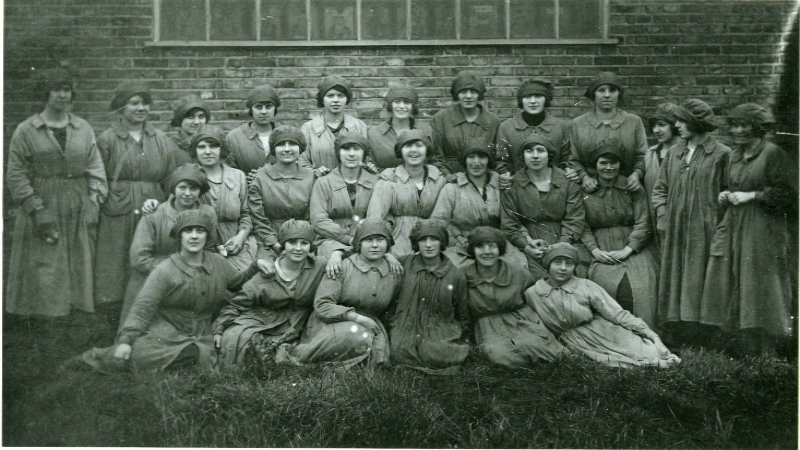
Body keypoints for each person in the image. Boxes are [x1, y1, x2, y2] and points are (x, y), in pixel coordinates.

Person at [78, 209, 258, 372]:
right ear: (180, 236)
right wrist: (125, 341)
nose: (194, 236)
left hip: (202, 332)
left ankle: (181, 362)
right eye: (188, 231)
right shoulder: (165, 269)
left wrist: (255, 266)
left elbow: (238, 283)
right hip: (166, 331)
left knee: (201, 354)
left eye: (200, 231)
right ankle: (91, 360)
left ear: (207, 236)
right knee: (136, 353)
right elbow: (143, 307)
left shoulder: (218, 263)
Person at [6, 68, 108, 317]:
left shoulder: (82, 127)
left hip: (77, 202)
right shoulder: (27, 130)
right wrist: (36, 209)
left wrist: (94, 200)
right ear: (45, 92)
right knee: (45, 267)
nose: (63, 95)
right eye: (56, 89)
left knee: (78, 265)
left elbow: (95, 167)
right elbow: (16, 174)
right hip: (44, 202)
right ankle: (44, 327)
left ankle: (74, 322)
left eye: (66, 89)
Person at [701, 103, 796, 355]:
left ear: (758, 128)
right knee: (735, 279)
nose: (738, 130)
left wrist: (752, 195)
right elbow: (730, 184)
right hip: (735, 226)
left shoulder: (773, 154)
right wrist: (726, 194)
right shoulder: (733, 155)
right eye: (734, 125)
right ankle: (746, 347)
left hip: (763, 229)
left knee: (761, 283)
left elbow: (789, 195)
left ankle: (768, 351)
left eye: (744, 125)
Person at [651, 99, 731, 345]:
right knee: (675, 275)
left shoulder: (721, 154)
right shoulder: (676, 152)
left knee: (701, 277)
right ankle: (678, 329)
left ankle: (705, 333)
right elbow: (660, 189)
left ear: (697, 124)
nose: (677, 126)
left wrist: (720, 224)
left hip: (705, 227)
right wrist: (663, 216)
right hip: (675, 227)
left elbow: (729, 191)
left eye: (682, 121)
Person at [526, 243, 680, 368]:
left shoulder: (585, 285)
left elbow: (616, 313)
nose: (563, 268)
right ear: (547, 265)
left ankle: (654, 352)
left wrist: (651, 335)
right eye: (557, 262)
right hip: (572, 342)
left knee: (649, 352)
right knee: (611, 362)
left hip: (603, 331)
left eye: (569, 263)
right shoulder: (533, 293)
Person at [94, 81, 178, 310]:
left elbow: (170, 178)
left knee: (149, 256)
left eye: (145, 103)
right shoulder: (108, 139)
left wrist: (165, 204)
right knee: (116, 262)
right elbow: (97, 177)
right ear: (121, 107)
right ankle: (112, 314)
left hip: (154, 206)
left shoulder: (160, 138)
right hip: (118, 210)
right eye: (135, 103)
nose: (142, 108)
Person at [213, 220, 341, 365]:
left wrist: (337, 254)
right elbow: (236, 305)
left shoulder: (319, 265)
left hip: (301, 322)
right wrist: (219, 329)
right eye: (292, 242)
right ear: (283, 245)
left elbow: (351, 250)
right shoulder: (266, 273)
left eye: (304, 243)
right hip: (265, 320)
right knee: (232, 337)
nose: (298, 248)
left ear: (310, 246)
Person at [282, 219, 401, 368]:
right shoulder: (341, 267)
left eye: (381, 240)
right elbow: (322, 305)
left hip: (370, 323)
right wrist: (358, 318)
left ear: (388, 244)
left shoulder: (393, 271)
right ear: (359, 243)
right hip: (330, 321)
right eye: (368, 240)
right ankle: (302, 356)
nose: (375, 245)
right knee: (357, 335)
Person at [119, 163, 217, 326]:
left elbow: (210, 249)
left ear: (200, 191)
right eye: (182, 187)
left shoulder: (207, 213)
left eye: (193, 188)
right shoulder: (154, 215)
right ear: (173, 188)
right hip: (153, 278)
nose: (187, 193)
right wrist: (177, 270)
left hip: (193, 278)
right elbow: (139, 259)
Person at [462, 227, 568, 368]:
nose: (487, 251)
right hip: (488, 325)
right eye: (480, 246)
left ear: (499, 249)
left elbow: (533, 298)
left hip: (520, 319)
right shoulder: (463, 276)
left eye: (492, 246)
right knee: (499, 356)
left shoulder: (518, 272)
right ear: (473, 250)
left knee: (541, 347)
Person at [580, 144, 659, 329]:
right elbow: (581, 224)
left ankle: (647, 331)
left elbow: (644, 221)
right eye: (603, 163)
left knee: (644, 284)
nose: (609, 167)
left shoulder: (633, 188)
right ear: (595, 165)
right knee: (603, 283)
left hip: (633, 243)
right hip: (600, 244)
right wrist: (594, 250)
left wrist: (627, 249)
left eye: (613, 163)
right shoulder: (584, 190)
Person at [388, 220, 470, 374]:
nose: (428, 245)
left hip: (439, 327)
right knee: (401, 351)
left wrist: (463, 335)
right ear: (416, 244)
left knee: (439, 353)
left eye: (434, 239)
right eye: (423, 240)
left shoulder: (455, 275)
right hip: (406, 324)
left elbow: (462, 312)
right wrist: (388, 256)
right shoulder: (403, 263)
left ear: (442, 243)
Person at [500, 135, 585, 281]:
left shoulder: (567, 181)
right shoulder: (512, 184)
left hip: (564, 238)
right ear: (523, 156)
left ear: (549, 154)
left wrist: (561, 246)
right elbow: (509, 223)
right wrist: (526, 246)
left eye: (540, 150)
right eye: (529, 151)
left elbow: (574, 218)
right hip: (527, 241)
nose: (535, 156)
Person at [430, 145, 526, 269]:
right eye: (471, 157)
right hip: (462, 247)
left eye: (482, 157)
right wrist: (456, 240)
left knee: (516, 269)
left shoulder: (501, 187)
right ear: (465, 160)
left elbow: (513, 220)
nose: (476, 162)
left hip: (497, 245)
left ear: (489, 161)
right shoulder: (452, 188)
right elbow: (439, 223)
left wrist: (526, 238)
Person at [367, 129, 447, 257]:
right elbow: (375, 219)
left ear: (427, 150)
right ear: (400, 151)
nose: (413, 150)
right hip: (396, 244)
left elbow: (443, 217)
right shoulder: (389, 181)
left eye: (419, 145)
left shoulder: (439, 180)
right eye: (408, 146)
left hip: (430, 243)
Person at [249, 125, 316, 275]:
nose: (287, 149)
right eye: (281, 145)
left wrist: (300, 241)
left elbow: (313, 214)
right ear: (273, 149)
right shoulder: (260, 177)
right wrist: (274, 244)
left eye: (292, 144)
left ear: (300, 148)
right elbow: (258, 217)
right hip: (269, 239)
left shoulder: (310, 177)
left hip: (303, 240)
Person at [191, 125, 258, 272]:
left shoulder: (237, 176)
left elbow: (246, 214)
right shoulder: (190, 177)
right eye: (202, 147)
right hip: (201, 246)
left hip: (236, 244)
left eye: (214, 146)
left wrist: (240, 238)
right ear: (195, 151)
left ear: (222, 149)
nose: (208, 152)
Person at [567, 72, 647, 194]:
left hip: (626, 188)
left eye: (612, 90)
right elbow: (574, 158)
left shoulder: (633, 121)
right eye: (601, 90)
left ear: (619, 94)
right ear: (593, 94)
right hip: (590, 190)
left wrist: (637, 175)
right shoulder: (579, 123)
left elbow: (642, 156)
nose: (607, 95)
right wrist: (584, 177)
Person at [310, 132, 378, 258]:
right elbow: (318, 220)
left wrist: (365, 237)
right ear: (338, 153)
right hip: (330, 239)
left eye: (356, 149)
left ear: (364, 154)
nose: (351, 154)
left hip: (368, 239)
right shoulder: (324, 182)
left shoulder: (375, 181)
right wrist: (347, 239)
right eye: (346, 149)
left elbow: (381, 216)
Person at [430, 70, 503, 176]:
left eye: (473, 91)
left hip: (482, 180)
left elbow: (499, 157)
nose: (468, 96)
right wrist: (448, 176)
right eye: (463, 91)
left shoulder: (493, 121)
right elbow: (436, 156)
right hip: (449, 181)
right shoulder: (441, 119)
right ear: (457, 94)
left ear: (479, 94)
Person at [497, 78, 572, 172]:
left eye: (538, 96)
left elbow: (567, 159)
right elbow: (501, 160)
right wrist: (504, 174)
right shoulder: (507, 127)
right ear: (521, 101)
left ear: (546, 99)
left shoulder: (560, 127)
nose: (533, 101)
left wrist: (568, 169)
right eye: (527, 97)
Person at [300, 75, 368, 178]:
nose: (336, 100)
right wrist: (314, 172)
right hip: (320, 186)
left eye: (340, 95)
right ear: (322, 99)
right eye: (330, 95)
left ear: (347, 99)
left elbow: (366, 161)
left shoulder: (359, 126)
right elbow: (302, 162)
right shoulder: (308, 128)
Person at [367, 87, 433, 170]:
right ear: (391, 105)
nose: (401, 106)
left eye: (407, 102)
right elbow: (370, 163)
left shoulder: (426, 130)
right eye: (397, 102)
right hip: (386, 181)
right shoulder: (374, 133)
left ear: (413, 107)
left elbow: (434, 160)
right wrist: (381, 172)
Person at [226, 84, 281, 178]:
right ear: (251, 109)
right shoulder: (235, 137)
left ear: (275, 109)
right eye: (258, 107)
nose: (264, 112)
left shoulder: (284, 132)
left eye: (268, 107)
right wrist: (243, 179)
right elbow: (228, 172)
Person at [644, 102, 680, 243]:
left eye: (661, 124)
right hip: (654, 223)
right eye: (653, 126)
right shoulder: (650, 154)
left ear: (675, 125)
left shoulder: (688, 153)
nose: (656, 130)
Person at [169, 94, 210, 165]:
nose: (197, 122)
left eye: (201, 117)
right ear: (180, 119)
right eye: (191, 117)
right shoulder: (169, 147)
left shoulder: (211, 145)